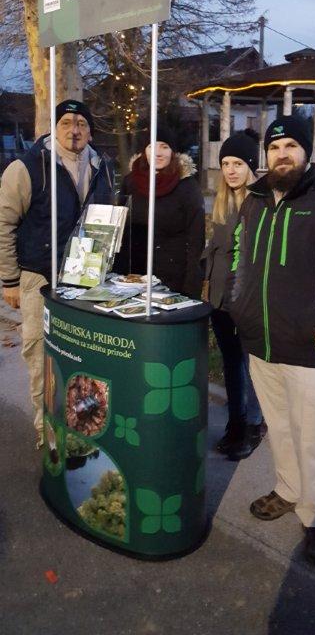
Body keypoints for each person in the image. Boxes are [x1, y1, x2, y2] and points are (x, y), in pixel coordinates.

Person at [228, 115, 315, 566]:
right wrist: (238, 304)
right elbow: (238, 253)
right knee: (280, 427)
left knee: (312, 439)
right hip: (261, 340)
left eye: (291, 145)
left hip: (310, 346)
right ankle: (289, 490)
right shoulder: (254, 200)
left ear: (307, 151)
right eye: (274, 147)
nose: (282, 154)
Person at [0, 99, 114, 448]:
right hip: (38, 276)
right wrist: (9, 280)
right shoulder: (28, 167)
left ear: (90, 130)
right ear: (55, 128)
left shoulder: (102, 167)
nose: (74, 130)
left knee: (82, 354)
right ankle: (45, 428)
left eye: (81, 123)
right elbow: (4, 224)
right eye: (66, 123)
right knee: (40, 355)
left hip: (85, 278)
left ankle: (80, 425)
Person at [205, 129, 264, 460]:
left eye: (238, 163)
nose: (230, 170)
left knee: (251, 364)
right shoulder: (222, 203)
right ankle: (236, 421)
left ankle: (254, 424)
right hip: (220, 299)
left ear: (251, 166)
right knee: (231, 362)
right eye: (226, 163)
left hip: (247, 300)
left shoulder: (261, 204)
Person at [120, 125, 205, 298]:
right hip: (134, 276)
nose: (158, 153)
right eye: (152, 146)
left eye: (164, 147)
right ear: (144, 150)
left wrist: (191, 285)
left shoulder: (186, 186)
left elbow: (196, 239)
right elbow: (121, 230)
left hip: (173, 280)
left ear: (173, 151)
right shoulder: (130, 182)